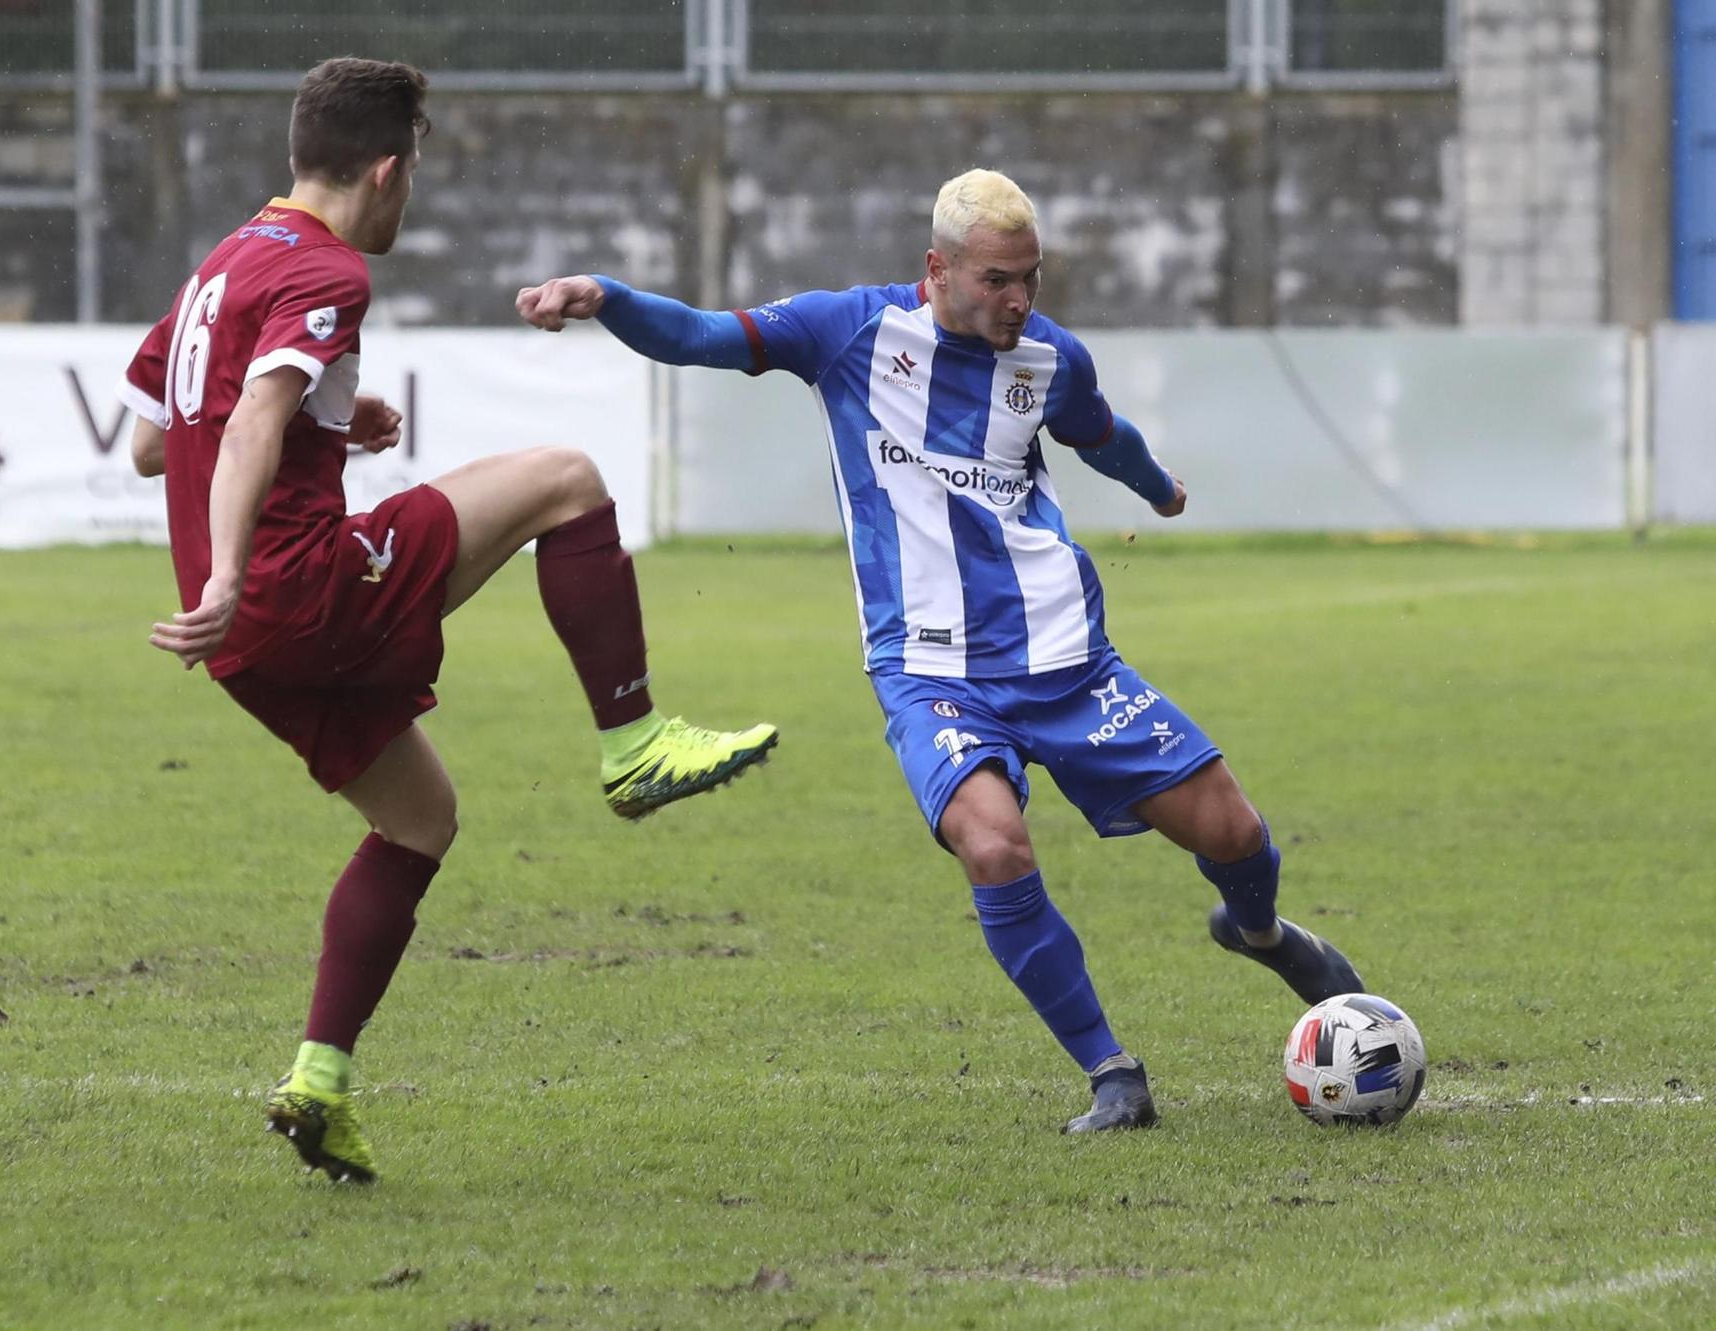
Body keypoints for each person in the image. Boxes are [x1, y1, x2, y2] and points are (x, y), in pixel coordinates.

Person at [516, 168, 1363, 1134]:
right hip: (928, 669)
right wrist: (605, 298)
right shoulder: (847, 332)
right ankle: (1111, 1072)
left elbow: (1102, 435)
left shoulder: (1051, 357)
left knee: (1234, 834)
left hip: (1067, 658)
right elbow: (705, 336)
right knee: (994, 845)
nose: (1018, 301)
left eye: (1031, 279)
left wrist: (1159, 487)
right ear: (938, 268)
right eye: (998, 279)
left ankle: (1260, 932)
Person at [117, 57, 777, 1183]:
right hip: (293, 589)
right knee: (565, 476)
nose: (408, 190)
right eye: (411, 169)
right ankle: (632, 740)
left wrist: (331, 416)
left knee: (419, 818)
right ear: (384, 169)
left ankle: (319, 1079)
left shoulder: (224, 264)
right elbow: (244, 426)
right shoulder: (326, 269)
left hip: (244, 644)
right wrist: (230, 564)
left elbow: (148, 440)